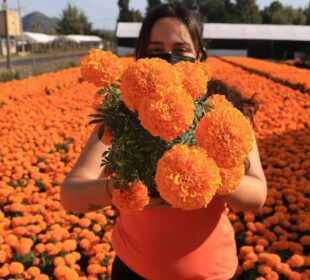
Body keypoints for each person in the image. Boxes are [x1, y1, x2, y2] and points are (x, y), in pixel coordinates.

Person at [60, 3, 267, 280]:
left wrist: (204, 177)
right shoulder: (121, 117)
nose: (169, 57)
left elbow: (257, 196)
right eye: (156, 50)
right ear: (141, 56)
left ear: (199, 54)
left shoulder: (225, 115)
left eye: (181, 50)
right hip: (134, 271)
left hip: (213, 274)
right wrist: (117, 190)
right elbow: (71, 194)